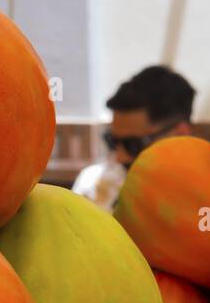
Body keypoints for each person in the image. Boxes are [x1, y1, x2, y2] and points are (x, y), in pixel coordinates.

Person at [73, 65, 196, 211]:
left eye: (133, 145)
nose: (120, 157)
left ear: (180, 134)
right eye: (112, 141)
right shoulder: (92, 183)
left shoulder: (201, 195)